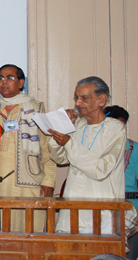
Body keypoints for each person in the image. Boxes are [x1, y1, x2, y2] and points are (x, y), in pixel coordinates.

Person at [49, 77, 126, 234]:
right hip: (72, 206)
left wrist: (69, 142)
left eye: (84, 98)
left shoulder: (116, 129)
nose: (78, 103)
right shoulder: (78, 125)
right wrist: (63, 129)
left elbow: (101, 170)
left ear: (101, 100)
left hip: (101, 211)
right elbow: (60, 158)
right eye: (76, 98)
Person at [0, 64, 56, 232]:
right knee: (1, 233)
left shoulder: (36, 108)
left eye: (10, 78)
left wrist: (48, 181)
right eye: (0, 78)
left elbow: (47, 147)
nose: (4, 82)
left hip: (29, 182)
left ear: (21, 82)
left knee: (30, 232)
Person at [104, 105, 138, 260]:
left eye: (122, 126)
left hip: (131, 209)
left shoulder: (134, 149)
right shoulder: (97, 149)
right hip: (103, 210)